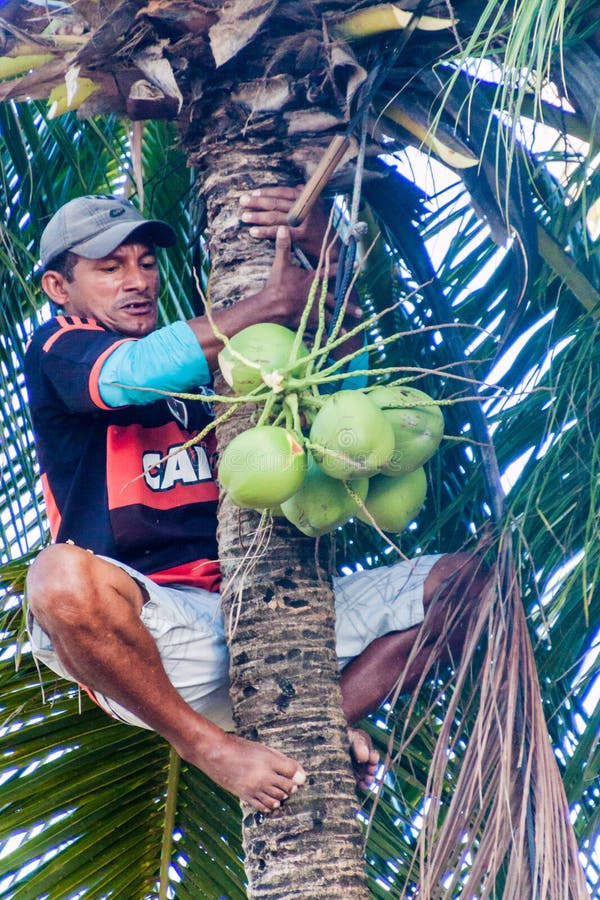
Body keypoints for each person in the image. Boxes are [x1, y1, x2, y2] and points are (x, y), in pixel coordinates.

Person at [24, 190, 488, 813]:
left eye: (146, 263)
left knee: (470, 585)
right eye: (110, 268)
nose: (137, 281)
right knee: (56, 577)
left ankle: (322, 730)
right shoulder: (61, 347)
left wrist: (329, 258)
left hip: (273, 615)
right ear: (60, 287)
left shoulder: (219, 364)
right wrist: (269, 303)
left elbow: (336, 398)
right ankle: (210, 748)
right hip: (154, 639)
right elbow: (125, 375)